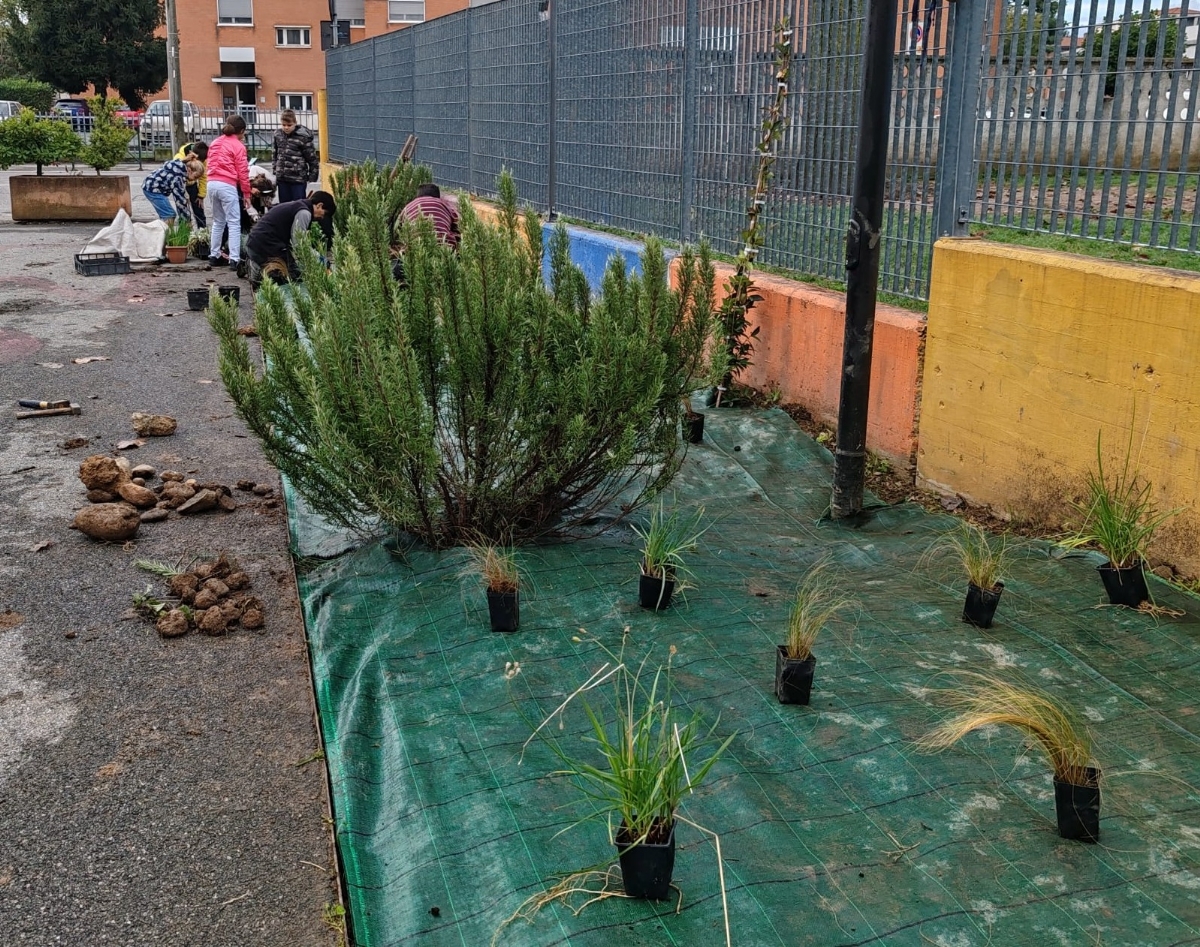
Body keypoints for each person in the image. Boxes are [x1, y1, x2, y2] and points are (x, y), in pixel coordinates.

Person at [244, 191, 336, 291]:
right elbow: (299, 245)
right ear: (319, 205)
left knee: (292, 269)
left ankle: (256, 264)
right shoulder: (304, 213)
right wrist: (319, 259)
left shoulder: (298, 206)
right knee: (292, 277)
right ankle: (256, 270)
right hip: (264, 245)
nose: (322, 218)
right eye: (324, 214)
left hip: (257, 242)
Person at [205, 115, 252, 273]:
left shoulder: (215, 142)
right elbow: (243, 172)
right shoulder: (238, 146)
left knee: (218, 221)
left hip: (211, 183)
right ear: (242, 131)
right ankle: (234, 259)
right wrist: (246, 193)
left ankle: (214, 255)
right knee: (233, 222)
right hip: (227, 185)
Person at [272, 109, 319, 205]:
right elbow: (275, 154)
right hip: (283, 178)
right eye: (283, 125)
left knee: (299, 205)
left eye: (289, 125)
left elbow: (312, 158)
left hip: (298, 178)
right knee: (284, 206)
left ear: (295, 123)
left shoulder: (303, 138)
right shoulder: (278, 135)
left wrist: (312, 175)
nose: (286, 128)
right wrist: (275, 169)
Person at [141, 154, 200, 223]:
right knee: (169, 215)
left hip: (150, 185)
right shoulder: (178, 177)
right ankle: (164, 233)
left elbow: (182, 194)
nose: (195, 180)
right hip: (152, 189)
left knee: (169, 214)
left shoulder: (179, 167)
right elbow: (180, 201)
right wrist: (187, 220)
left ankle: (166, 231)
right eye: (195, 177)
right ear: (190, 170)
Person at [400, 183, 459, 249]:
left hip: (415, 248)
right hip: (444, 247)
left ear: (417, 196)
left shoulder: (408, 207)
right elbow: (458, 223)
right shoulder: (444, 204)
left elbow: (400, 226)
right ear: (438, 197)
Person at [174, 141, 208, 228]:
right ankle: (187, 231)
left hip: (192, 187)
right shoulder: (179, 158)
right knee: (184, 211)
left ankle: (202, 232)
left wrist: (201, 195)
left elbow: (203, 177)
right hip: (180, 186)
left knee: (199, 209)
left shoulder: (203, 158)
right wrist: (184, 194)